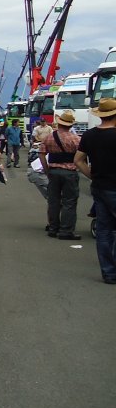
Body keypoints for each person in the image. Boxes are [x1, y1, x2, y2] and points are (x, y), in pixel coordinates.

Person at [74, 97, 116, 284]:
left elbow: (78, 160)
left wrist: (91, 175)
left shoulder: (89, 135)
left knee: (104, 231)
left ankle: (109, 272)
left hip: (99, 186)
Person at [40, 110, 82, 240]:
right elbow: (82, 157)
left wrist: (46, 169)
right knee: (69, 202)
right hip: (70, 172)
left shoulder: (49, 137)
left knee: (54, 201)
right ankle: (66, 230)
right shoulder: (76, 139)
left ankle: (53, 228)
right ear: (70, 125)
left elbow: (41, 153)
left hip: (53, 171)